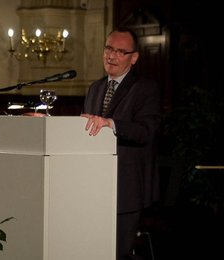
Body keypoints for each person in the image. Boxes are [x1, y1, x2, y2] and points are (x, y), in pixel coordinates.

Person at [81, 27, 161, 260]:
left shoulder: (145, 88)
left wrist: (111, 124)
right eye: (108, 48)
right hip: (94, 186)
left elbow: (146, 131)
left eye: (120, 51)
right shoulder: (95, 88)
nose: (111, 55)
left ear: (133, 58)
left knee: (118, 253)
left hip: (127, 188)